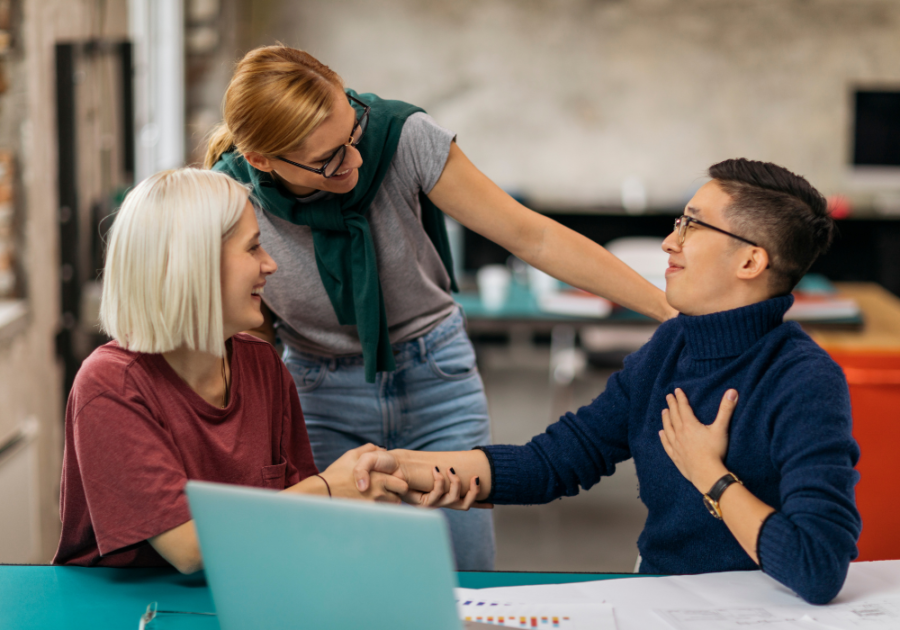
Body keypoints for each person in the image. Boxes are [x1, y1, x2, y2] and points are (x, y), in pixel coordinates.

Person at [205, 45, 676, 570]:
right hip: (318, 389)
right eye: (329, 159)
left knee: (462, 570)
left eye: (353, 134)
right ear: (262, 160)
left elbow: (532, 236)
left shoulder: (402, 138)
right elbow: (241, 325)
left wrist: (664, 308)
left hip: (436, 376)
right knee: (331, 574)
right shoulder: (227, 197)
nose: (356, 160)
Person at [354, 159, 862, 604]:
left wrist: (710, 474)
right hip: (660, 595)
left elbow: (816, 567)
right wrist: (399, 466)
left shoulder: (805, 382)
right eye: (678, 222)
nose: (671, 241)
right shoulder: (670, 349)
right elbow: (553, 462)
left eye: (692, 226)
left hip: (757, 609)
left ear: (751, 260)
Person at [53, 169, 423, 573]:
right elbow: (189, 547)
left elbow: (295, 516)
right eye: (253, 248)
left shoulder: (262, 364)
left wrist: (371, 487)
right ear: (195, 264)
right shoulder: (110, 384)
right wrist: (333, 488)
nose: (271, 265)